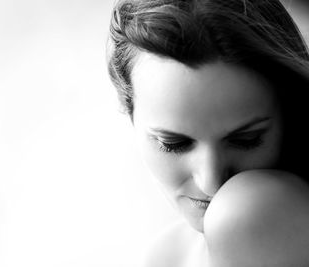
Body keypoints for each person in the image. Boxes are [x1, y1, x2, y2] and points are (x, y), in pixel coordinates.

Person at [106, 0, 309, 266]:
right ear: (127, 110)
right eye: (173, 143)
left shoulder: (256, 213)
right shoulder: (165, 253)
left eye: (246, 140)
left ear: (290, 113)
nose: (211, 183)